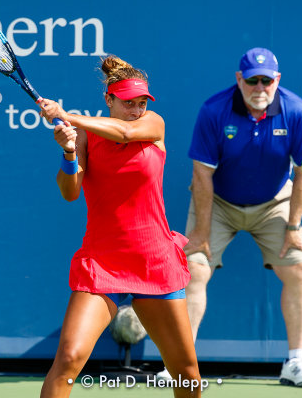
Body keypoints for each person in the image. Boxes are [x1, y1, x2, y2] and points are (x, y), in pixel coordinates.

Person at [157, 47, 302, 387]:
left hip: (274, 202)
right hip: (217, 200)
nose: (259, 88)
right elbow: (202, 175)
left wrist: (293, 226)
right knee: (194, 268)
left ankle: (296, 362)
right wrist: (202, 232)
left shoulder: (296, 110)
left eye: (266, 80)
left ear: (277, 80)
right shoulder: (214, 110)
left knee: (299, 266)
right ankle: (179, 364)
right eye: (252, 81)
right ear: (239, 80)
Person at [38, 55, 201, 398]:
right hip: (103, 261)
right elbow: (70, 192)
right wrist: (69, 152)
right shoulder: (85, 136)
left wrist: (65, 114)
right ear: (108, 100)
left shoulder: (153, 124)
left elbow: (127, 133)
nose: (136, 109)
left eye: (141, 102)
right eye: (127, 103)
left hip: (154, 260)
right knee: (67, 359)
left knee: (186, 372)